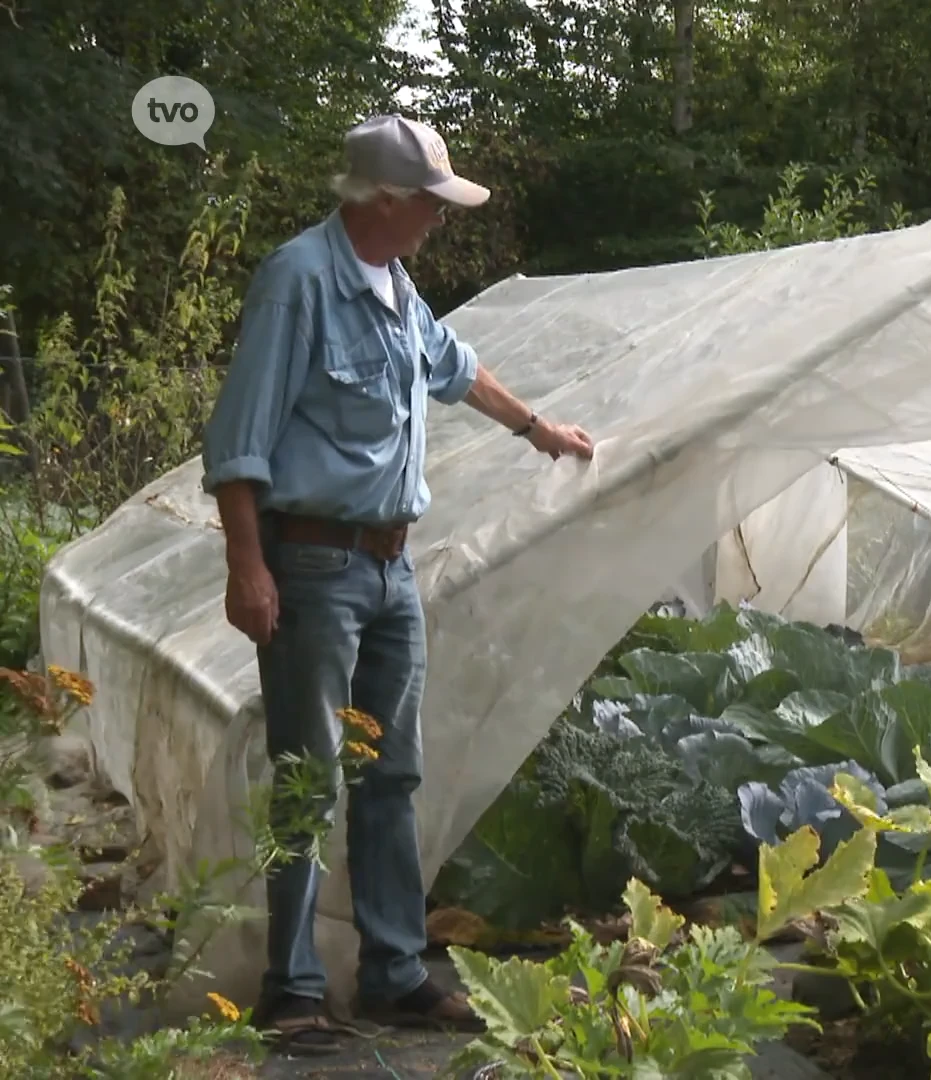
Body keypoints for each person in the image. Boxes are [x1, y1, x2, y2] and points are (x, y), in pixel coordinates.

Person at [200, 114, 596, 1055]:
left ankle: (394, 973)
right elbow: (239, 442)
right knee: (310, 779)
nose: (440, 219)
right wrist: (245, 564)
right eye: (430, 203)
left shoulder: (396, 284)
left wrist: (540, 429)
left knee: (391, 776)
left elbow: (457, 371)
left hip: (387, 567)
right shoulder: (299, 282)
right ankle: (291, 989)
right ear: (384, 201)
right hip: (312, 565)